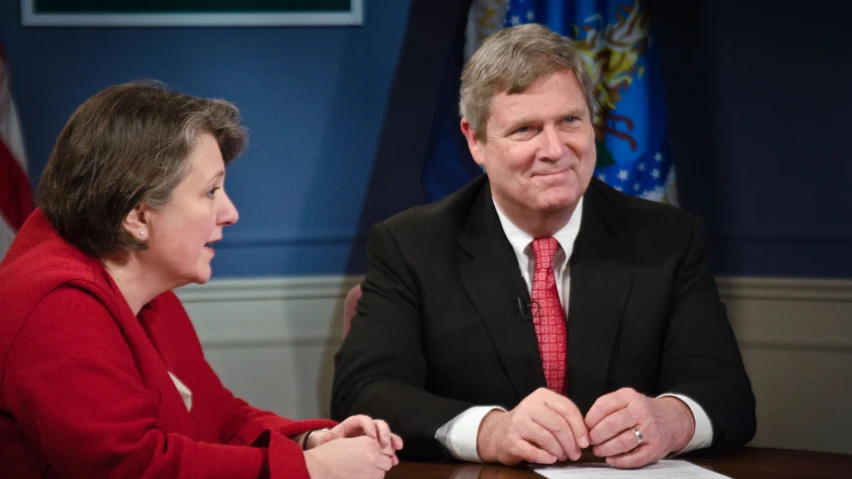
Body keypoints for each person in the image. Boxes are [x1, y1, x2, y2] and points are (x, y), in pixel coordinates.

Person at [331, 24, 755, 469]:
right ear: (475, 140)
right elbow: (363, 393)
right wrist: (491, 431)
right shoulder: (411, 246)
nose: (554, 149)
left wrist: (672, 419)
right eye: (526, 129)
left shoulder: (668, 239)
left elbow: (728, 397)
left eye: (570, 120)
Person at [0, 81, 402, 479]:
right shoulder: (58, 306)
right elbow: (132, 468)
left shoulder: (138, 278)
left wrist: (313, 441)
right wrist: (308, 471)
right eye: (211, 191)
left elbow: (218, 419)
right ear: (137, 216)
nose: (230, 212)